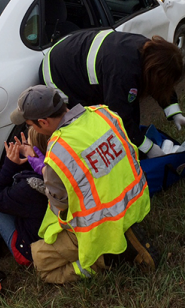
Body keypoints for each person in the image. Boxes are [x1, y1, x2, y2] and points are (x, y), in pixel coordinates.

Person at [11, 85, 154, 284]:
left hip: (100, 225)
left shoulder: (58, 153)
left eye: (31, 125)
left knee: (41, 262)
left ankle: (102, 261)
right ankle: (120, 241)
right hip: (134, 203)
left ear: (43, 122)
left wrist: (44, 172)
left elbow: (60, 205)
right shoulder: (104, 113)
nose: (32, 129)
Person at [41, 29, 185, 159]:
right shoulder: (123, 71)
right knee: (92, 127)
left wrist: (174, 112)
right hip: (59, 74)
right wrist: (149, 148)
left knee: (126, 113)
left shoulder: (149, 51)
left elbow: (160, 82)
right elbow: (120, 118)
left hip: (74, 53)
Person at [0, 128, 49, 265]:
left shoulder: (29, 188)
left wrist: (9, 166)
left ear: (36, 151)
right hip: (48, 234)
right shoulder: (57, 170)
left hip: (30, 252)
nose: (24, 146)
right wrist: (29, 159)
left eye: (28, 144)